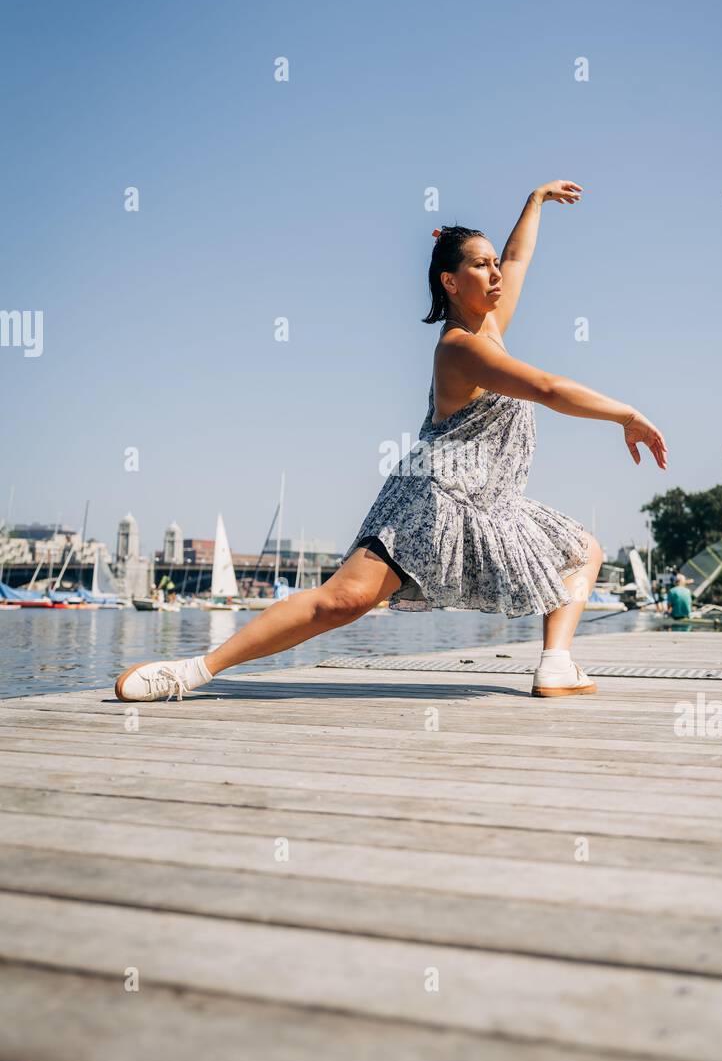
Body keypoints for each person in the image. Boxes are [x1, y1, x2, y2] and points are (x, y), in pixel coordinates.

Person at [114, 181, 667, 703]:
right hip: (432, 499)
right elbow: (548, 388)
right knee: (343, 601)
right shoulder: (460, 348)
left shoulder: (490, 325)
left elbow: (520, 258)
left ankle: (555, 663)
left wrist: (537, 201)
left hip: (491, 504)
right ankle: (191, 671)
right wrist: (628, 414)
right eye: (481, 265)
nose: (497, 273)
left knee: (582, 550)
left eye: (495, 264)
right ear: (450, 282)